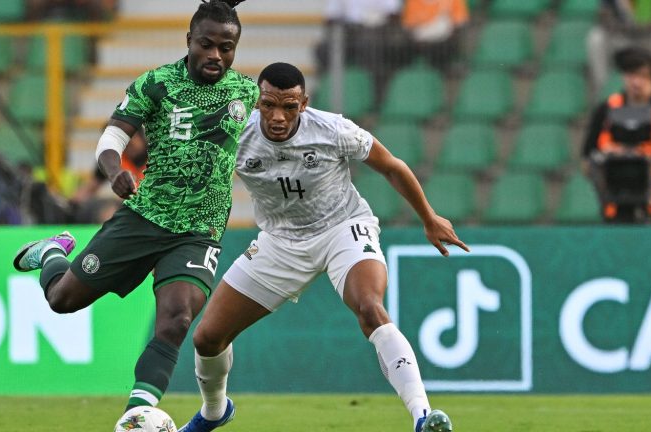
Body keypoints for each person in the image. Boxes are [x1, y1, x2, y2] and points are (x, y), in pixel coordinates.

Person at [179, 63, 468, 432]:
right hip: (279, 243)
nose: (278, 116)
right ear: (256, 101)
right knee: (207, 337)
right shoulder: (234, 136)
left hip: (341, 228)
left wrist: (428, 217)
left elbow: (392, 166)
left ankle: (423, 417)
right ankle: (215, 412)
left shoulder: (333, 129)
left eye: (289, 106)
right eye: (268, 105)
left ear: (304, 103)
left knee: (370, 307)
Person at [11, 0, 258, 424]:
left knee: (177, 319)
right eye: (207, 45)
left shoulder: (247, 92)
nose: (216, 55)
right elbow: (112, 136)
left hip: (199, 231)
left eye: (227, 47)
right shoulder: (156, 83)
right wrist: (113, 172)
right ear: (189, 42)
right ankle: (52, 252)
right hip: (142, 218)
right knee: (62, 300)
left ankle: (138, 414)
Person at [582, 46, 651, 223]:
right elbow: (586, 159)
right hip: (616, 201)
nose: (636, 83)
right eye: (632, 75)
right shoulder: (607, 109)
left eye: (643, 76)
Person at [69, 126, 148, 223]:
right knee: (109, 212)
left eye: (130, 142)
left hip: (155, 208)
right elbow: (91, 186)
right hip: (126, 206)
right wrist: (71, 204)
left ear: (141, 136)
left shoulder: (159, 156)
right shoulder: (114, 159)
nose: (127, 147)